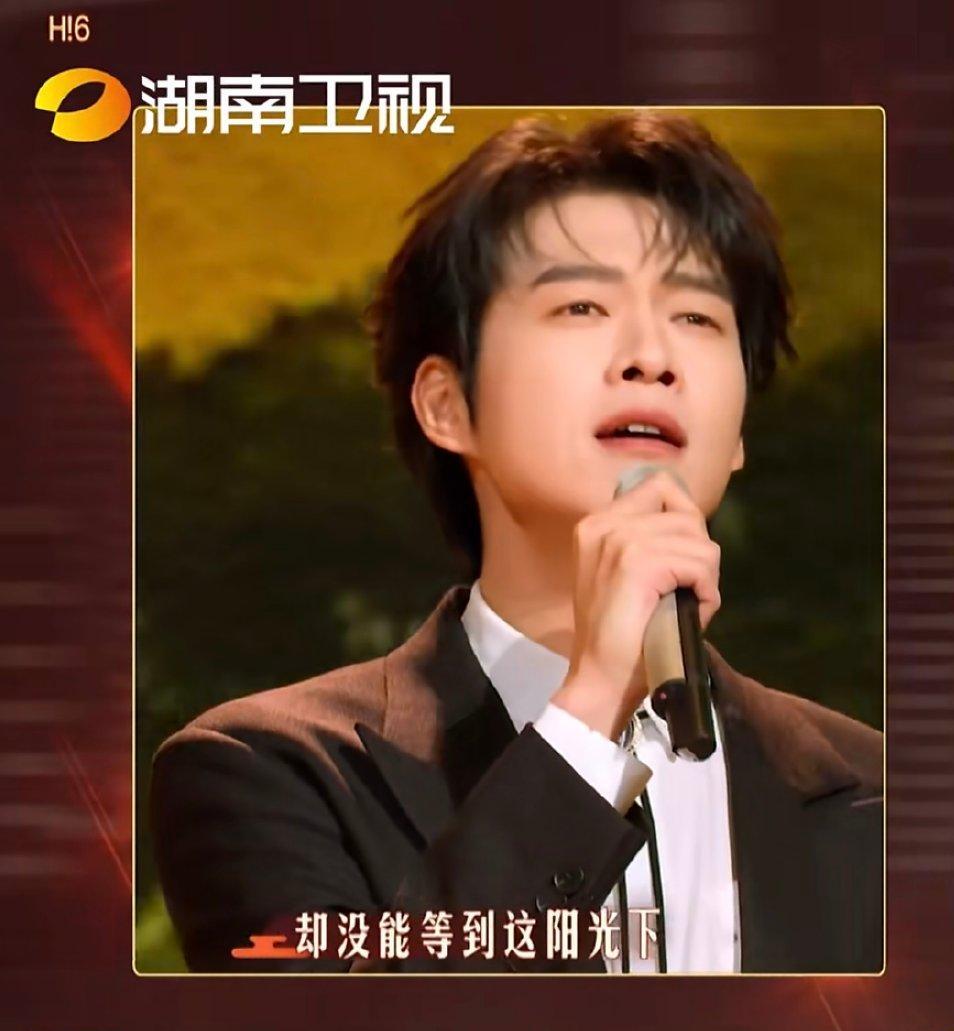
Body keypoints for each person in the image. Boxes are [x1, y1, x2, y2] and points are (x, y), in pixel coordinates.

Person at [151, 112, 882, 974]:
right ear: (448, 405)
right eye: (582, 306)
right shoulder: (269, 774)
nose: (652, 357)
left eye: (696, 316)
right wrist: (595, 706)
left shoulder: (879, 796)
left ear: (738, 436)